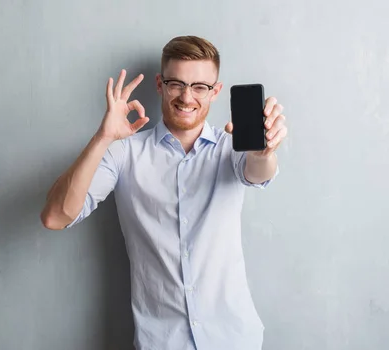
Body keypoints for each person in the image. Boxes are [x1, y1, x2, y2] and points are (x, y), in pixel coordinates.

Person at [40, 35, 287, 350]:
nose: (187, 97)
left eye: (200, 86)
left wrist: (264, 153)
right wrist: (103, 137)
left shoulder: (233, 147)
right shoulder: (123, 153)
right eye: (176, 84)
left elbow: (256, 172)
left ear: (215, 92)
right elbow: (55, 217)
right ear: (159, 84)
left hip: (235, 340)